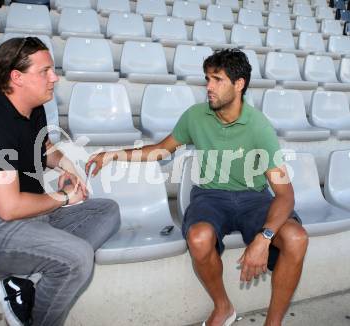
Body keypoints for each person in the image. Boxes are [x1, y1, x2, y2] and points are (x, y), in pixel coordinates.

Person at [86, 49, 308, 326]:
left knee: (296, 238)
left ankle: (273, 323)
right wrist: (112, 155)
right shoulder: (195, 116)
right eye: (207, 79)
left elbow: (286, 194)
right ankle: (223, 306)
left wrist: (264, 238)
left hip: (254, 198)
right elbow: (159, 150)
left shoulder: (259, 126)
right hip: (211, 196)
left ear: (239, 85)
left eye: (217, 79)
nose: (209, 87)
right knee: (200, 238)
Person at [0, 37, 120, 326]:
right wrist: (64, 198)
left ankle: (25, 282)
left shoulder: (33, 107)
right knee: (78, 258)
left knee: (106, 211)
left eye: (53, 70)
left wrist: (66, 165)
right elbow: (8, 207)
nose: (54, 78)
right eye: (45, 71)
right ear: (17, 77)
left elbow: (43, 147)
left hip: (25, 220)